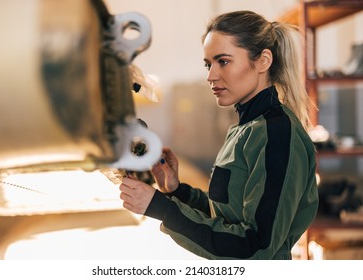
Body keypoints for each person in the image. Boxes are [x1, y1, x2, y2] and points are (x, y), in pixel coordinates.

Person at [119, 10, 319, 260]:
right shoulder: (245, 128)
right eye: (208, 64)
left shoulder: (276, 134)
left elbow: (255, 247)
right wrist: (176, 192)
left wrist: (163, 209)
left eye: (223, 61)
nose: (210, 76)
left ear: (263, 61)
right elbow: (226, 216)